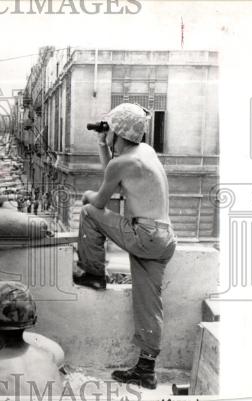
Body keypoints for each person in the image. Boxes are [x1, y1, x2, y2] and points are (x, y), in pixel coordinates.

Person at [75, 103, 177, 389]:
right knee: (149, 304)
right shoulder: (145, 152)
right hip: (164, 238)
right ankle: (146, 370)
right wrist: (103, 142)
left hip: (145, 235)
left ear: (117, 131)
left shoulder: (123, 162)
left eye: (108, 129)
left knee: (87, 212)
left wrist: (86, 194)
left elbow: (99, 203)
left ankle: (94, 273)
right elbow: (116, 173)